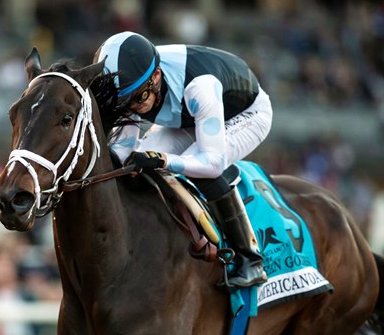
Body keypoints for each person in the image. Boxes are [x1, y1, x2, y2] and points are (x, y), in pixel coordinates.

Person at [91, 31, 271, 287]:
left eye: (139, 98)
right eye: (125, 103)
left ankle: (250, 259)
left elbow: (211, 162)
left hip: (243, 112)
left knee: (198, 169)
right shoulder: (132, 86)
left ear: (156, 76)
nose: (135, 108)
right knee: (133, 164)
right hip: (185, 115)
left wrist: (163, 160)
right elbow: (122, 152)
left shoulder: (200, 87)